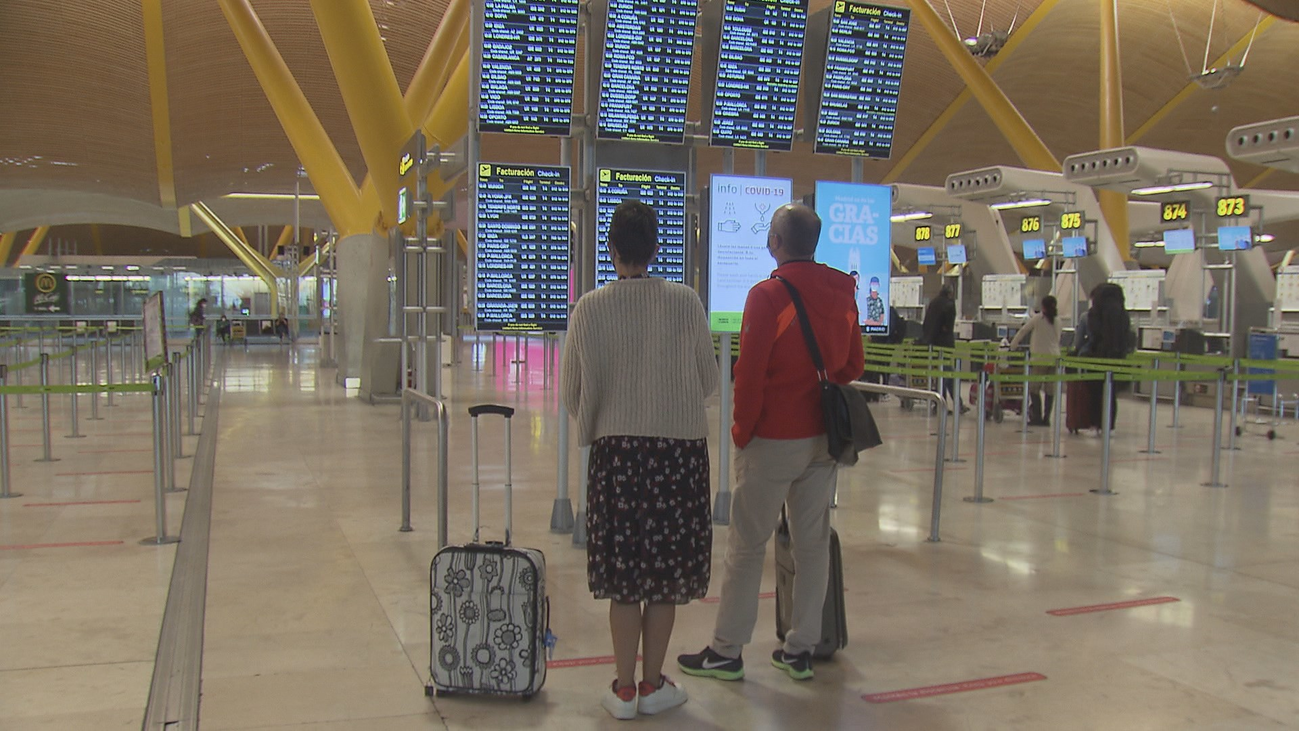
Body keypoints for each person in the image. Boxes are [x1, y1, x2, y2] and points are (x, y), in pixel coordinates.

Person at [677, 204, 863, 684]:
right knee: (812, 544)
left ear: (776, 243)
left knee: (746, 546)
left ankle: (726, 650)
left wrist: (742, 432)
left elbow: (749, 375)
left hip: (773, 438)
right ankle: (801, 648)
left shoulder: (767, 296)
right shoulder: (844, 290)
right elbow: (852, 366)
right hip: (823, 439)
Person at [561, 200, 719, 720]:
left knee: (624, 577)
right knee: (666, 574)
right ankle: (654, 684)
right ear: (657, 248)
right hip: (677, 456)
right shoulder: (686, 302)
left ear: (610, 249)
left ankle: (624, 689)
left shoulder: (588, 308)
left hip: (618, 457)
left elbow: (571, 395)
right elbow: (710, 383)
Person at [1085, 283, 1132, 432]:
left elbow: (1094, 335)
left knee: (1096, 391)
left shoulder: (1096, 312)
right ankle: (1109, 423)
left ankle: (1096, 421)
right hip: (1118, 358)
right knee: (1111, 393)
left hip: (1098, 357)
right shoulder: (1123, 313)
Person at [1010, 295, 1062, 426]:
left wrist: (1013, 346)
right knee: (1050, 390)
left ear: (1043, 306)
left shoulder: (1038, 319)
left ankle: (1037, 417)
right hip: (1055, 357)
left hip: (1039, 358)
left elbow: (1023, 331)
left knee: (1034, 388)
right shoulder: (1058, 320)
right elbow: (1057, 339)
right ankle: (1047, 419)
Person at [920, 285, 966, 413]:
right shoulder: (949, 305)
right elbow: (948, 326)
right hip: (945, 344)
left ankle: (954, 403)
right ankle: (942, 404)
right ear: (950, 294)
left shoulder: (933, 303)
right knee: (946, 374)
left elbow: (926, 323)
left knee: (946, 373)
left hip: (932, 343)